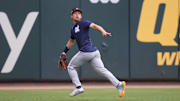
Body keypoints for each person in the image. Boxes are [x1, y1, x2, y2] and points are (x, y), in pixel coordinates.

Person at [61, 8, 126, 97]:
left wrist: (103, 31)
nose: (77, 15)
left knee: (71, 67)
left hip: (86, 52)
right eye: (75, 13)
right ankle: (119, 84)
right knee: (102, 70)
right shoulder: (73, 29)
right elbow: (71, 41)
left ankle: (79, 87)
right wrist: (65, 51)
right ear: (71, 16)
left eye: (79, 13)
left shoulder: (83, 23)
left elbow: (94, 26)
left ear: (81, 16)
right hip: (94, 53)